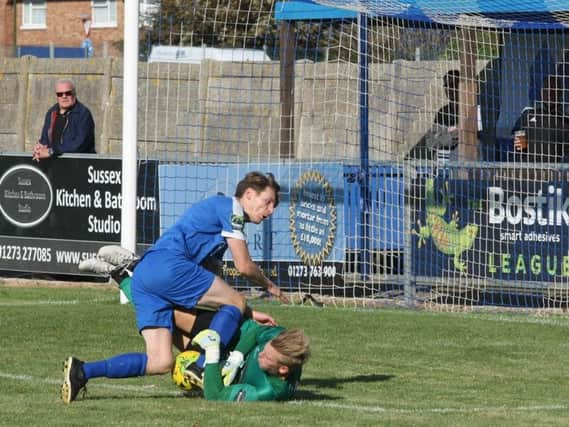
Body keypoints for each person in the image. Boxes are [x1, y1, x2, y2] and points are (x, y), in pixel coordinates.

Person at [62, 172, 289, 404]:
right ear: (249, 194)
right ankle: (201, 365)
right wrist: (270, 286)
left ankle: (82, 371)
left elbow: (212, 282)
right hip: (169, 266)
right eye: (268, 202)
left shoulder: (218, 223)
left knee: (160, 361)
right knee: (236, 302)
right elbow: (244, 266)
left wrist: (246, 312)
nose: (270, 210)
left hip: (149, 277)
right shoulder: (232, 209)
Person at [192, 323, 310, 402]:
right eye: (263, 349)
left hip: (221, 362)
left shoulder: (269, 390)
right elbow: (256, 331)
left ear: (283, 369)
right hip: (234, 338)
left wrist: (212, 351)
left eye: (267, 357)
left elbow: (216, 396)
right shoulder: (278, 337)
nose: (260, 354)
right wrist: (237, 356)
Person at [32, 79, 95, 161]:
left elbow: (79, 145)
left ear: (74, 94)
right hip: (55, 165)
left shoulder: (83, 114)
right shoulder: (51, 113)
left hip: (79, 165)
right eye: (60, 94)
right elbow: (45, 140)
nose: (64, 96)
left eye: (68, 93)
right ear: (57, 96)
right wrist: (39, 147)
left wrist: (52, 151)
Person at [511, 75, 569, 163]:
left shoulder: (566, 120)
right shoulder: (528, 114)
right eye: (546, 89)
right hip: (529, 171)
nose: (550, 92)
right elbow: (518, 137)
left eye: (553, 89)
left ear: (560, 92)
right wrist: (523, 159)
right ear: (541, 92)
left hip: (554, 173)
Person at [407, 70, 460, 164]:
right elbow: (431, 142)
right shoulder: (443, 112)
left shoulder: (471, 111)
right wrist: (452, 134)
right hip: (443, 158)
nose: (449, 89)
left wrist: (448, 134)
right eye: (446, 86)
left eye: (453, 85)